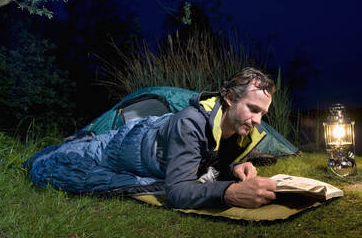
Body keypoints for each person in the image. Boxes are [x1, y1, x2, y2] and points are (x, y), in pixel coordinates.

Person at [25, 67, 278, 209]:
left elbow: (209, 159)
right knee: (69, 155)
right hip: (131, 142)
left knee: (93, 144)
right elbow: (177, 192)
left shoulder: (239, 129)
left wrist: (235, 168)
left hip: (156, 133)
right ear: (231, 99)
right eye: (253, 109)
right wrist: (230, 192)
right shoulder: (190, 123)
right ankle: (78, 141)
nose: (257, 120)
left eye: (262, 114)